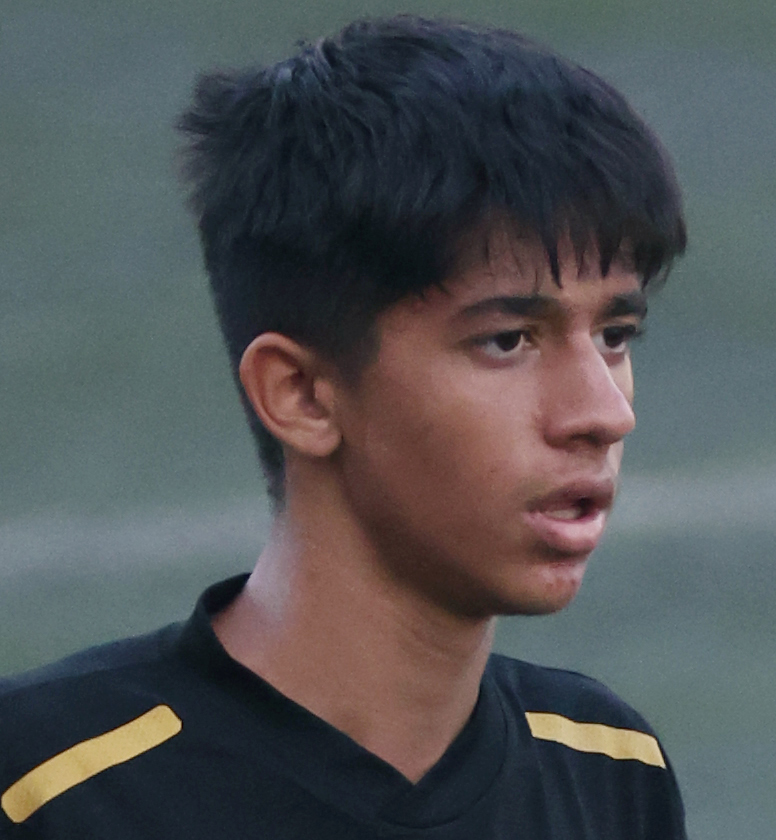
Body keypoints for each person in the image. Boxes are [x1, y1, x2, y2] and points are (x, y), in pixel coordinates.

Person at [0, 15, 688, 839]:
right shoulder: (45, 792)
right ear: (301, 395)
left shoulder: (609, 771)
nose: (605, 413)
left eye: (615, 335)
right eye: (508, 340)